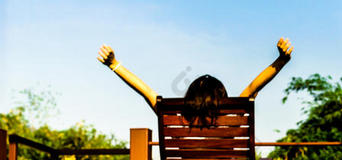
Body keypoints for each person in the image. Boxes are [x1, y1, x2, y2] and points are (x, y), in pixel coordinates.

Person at [97, 38, 293, 125]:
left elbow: (145, 91)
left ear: (189, 98)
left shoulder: (174, 118)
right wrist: (281, 60)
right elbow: (253, 88)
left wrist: (114, 64)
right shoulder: (231, 117)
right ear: (223, 98)